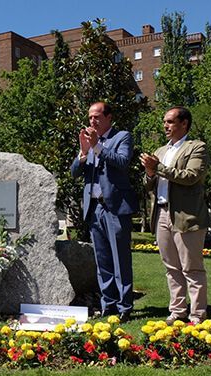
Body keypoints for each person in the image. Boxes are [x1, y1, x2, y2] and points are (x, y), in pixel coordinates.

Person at [140, 106, 210, 325]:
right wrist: (150, 173)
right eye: (164, 122)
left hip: (185, 215)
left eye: (170, 122)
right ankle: (177, 311)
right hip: (161, 213)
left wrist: (158, 167)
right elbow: (149, 184)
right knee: (171, 268)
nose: (165, 126)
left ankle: (197, 315)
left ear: (184, 123)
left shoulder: (196, 147)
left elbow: (191, 176)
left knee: (192, 268)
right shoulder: (160, 151)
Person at [71, 101, 138, 322]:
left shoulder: (122, 137)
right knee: (102, 261)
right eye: (90, 117)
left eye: (97, 117)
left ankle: (124, 306)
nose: (92, 121)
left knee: (120, 259)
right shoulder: (89, 142)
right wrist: (83, 152)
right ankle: (108, 305)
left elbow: (122, 161)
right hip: (94, 208)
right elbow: (74, 172)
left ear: (109, 118)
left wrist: (97, 146)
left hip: (115, 208)